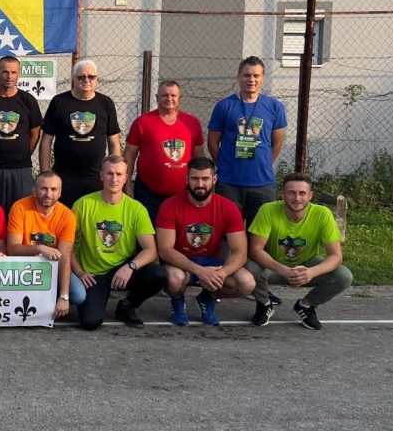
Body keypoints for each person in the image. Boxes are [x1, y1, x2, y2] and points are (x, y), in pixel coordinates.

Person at [156, 157, 254, 326]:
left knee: (246, 283)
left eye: (205, 179)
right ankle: (178, 301)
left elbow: (240, 251)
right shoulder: (169, 206)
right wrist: (199, 271)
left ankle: (208, 298)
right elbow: (165, 250)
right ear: (187, 179)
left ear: (214, 180)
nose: (200, 184)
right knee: (174, 279)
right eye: (194, 178)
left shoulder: (228, 207)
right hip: (181, 262)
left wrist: (221, 274)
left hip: (213, 262)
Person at [247, 172, 352, 330]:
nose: (297, 198)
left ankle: (306, 305)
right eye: (291, 193)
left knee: (344, 276)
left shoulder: (322, 214)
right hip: (274, 266)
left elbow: (336, 256)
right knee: (249, 268)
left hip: (306, 265)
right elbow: (255, 250)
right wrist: (284, 270)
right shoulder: (267, 210)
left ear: (310, 195)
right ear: (282, 194)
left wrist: (311, 272)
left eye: (302, 193)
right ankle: (264, 303)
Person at [71, 155, 166, 329]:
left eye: (119, 174)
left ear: (126, 177)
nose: (114, 179)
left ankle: (128, 305)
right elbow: (67, 245)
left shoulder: (136, 209)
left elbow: (151, 250)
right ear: (101, 175)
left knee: (158, 274)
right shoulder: (83, 205)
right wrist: (79, 272)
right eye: (109, 173)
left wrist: (130, 267)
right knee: (91, 322)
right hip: (93, 275)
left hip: (122, 269)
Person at [207, 56, 287, 227]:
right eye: (246, 75)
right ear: (238, 77)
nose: (251, 80)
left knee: (259, 234)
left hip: (262, 183)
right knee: (227, 232)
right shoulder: (224, 106)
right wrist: (224, 166)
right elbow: (212, 143)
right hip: (229, 183)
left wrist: (265, 163)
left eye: (256, 76)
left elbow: (278, 142)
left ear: (262, 78)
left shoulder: (275, 106)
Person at [40, 59, 121, 208]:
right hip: (64, 176)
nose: (86, 80)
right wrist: (45, 174)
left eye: (91, 77)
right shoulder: (59, 102)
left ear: (97, 79)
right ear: (73, 78)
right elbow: (46, 141)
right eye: (81, 77)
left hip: (96, 177)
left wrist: (114, 172)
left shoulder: (106, 103)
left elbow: (114, 142)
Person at [123, 81, 205, 222]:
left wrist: (200, 184)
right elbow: (129, 155)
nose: (169, 98)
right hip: (147, 193)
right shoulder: (142, 122)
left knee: (179, 233)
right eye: (165, 95)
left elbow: (199, 157)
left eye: (173, 95)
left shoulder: (192, 123)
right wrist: (127, 186)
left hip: (183, 193)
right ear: (157, 97)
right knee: (148, 233)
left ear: (180, 98)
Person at [0, 55, 43, 209]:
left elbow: (35, 134)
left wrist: (24, 154)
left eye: (13, 72)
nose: (9, 76)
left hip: (20, 167)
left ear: (19, 74)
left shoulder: (28, 101)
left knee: (20, 212)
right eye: (5, 72)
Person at [5, 171, 76, 320]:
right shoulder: (19, 207)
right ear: (34, 189)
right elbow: (12, 249)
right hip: (24, 268)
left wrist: (64, 296)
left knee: (79, 295)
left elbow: (65, 257)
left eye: (53, 189)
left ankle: (57, 301)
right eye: (44, 188)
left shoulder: (68, 216)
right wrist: (40, 248)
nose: (48, 194)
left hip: (53, 268)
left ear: (60, 192)